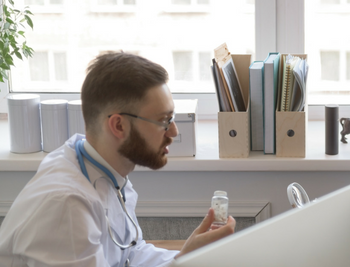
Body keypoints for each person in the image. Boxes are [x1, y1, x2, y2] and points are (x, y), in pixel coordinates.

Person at [0, 52, 236, 266]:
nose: (173, 132)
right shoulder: (66, 206)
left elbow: (131, 254)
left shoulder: (104, 170)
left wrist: (185, 257)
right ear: (119, 125)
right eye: (164, 120)